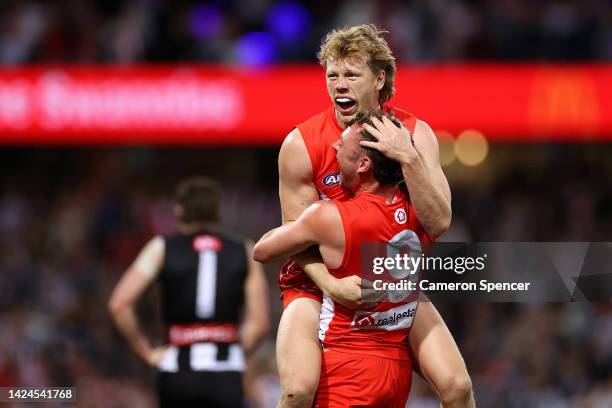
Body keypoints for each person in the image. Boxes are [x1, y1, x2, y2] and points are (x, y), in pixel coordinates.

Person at [276, 24, 474, 407]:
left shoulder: (417, 134)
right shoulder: (301, 144)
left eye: (351, 75)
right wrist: (333, 287)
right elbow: (293, 237)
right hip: (316, 285)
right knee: (297, 390)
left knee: (457, 386)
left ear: (380, 79)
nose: (339, 85)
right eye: (332, 76)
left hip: (391, 284)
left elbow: (438, 222)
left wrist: (409, 157)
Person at [256, 111, 431, 406]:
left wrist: (309, 230)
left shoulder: (329, 216)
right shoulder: (418, 212)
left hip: (346, 373)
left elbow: (262, 250)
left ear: (364, 164)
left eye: (343, 144)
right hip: (395, 371)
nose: (335, 147)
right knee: (457, 385)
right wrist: (411, 158)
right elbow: (441, 219)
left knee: (295, 391)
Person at [108, 176, 270, 408]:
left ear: (179, 210)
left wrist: (146, 352)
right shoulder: (244, 250)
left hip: (178, 369)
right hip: (225, 372)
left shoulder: (161, 248)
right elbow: (260, 323)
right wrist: (233, 347)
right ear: (216, 211)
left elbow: (119, 304)